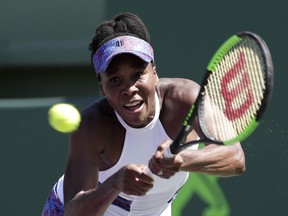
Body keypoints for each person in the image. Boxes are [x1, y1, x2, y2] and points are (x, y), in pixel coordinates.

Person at [41, 12, 245, 216]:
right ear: (101, 87)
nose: (129, 88)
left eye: (138, 75)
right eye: (114, 80)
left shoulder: (186, 99)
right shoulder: (92, 126)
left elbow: (235, 157)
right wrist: (115, 184)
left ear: (155, 73)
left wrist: (182, 160)